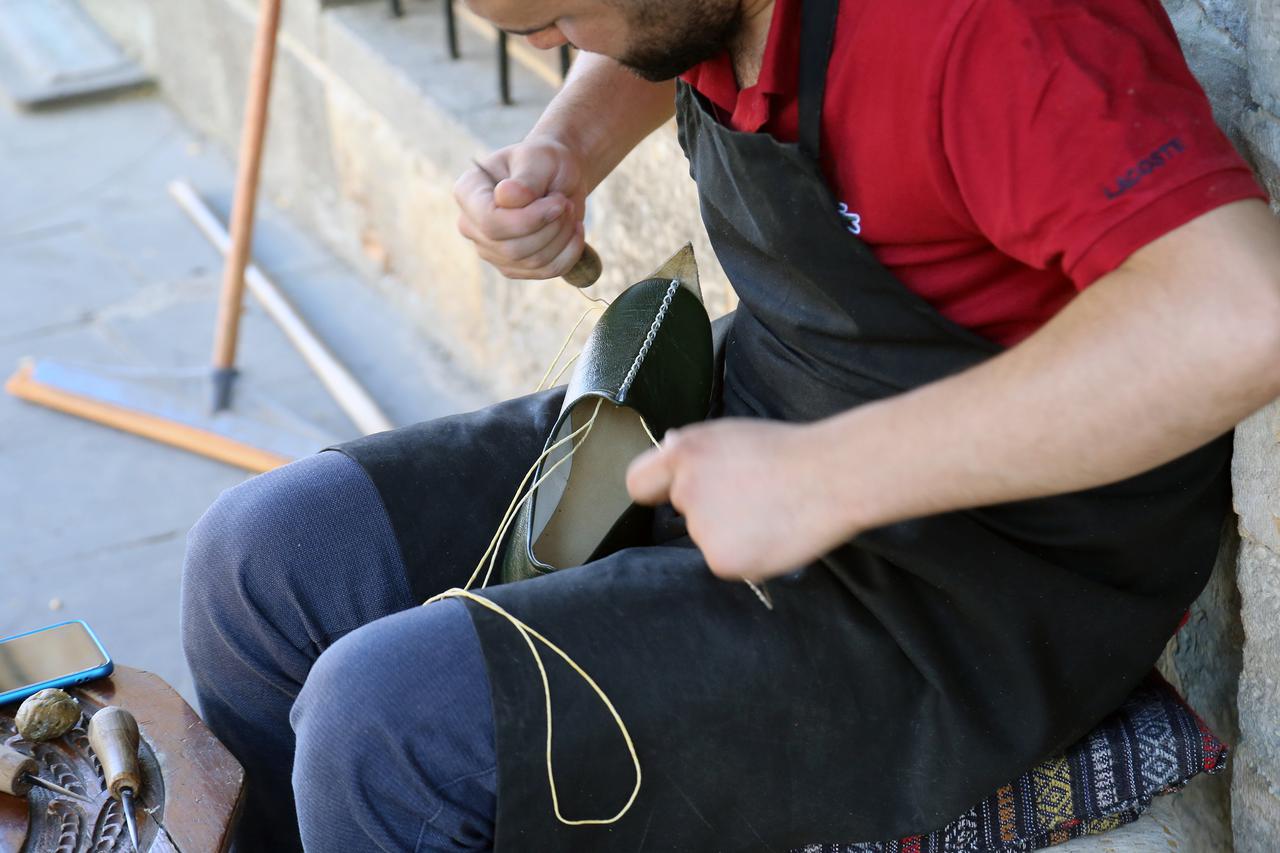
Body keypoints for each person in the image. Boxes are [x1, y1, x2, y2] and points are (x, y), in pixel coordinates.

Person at [181, 0, 1280, 850]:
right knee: (264, 557)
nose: (560, 46)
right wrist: (565, 147)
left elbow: (1237, 315)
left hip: (969, 581)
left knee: (388, 726)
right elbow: (667, 25)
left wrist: (830, 473)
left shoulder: (984, 32)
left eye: (557, 22)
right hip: (778, 398)